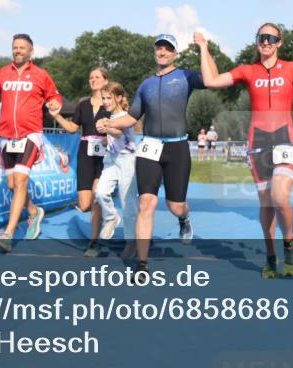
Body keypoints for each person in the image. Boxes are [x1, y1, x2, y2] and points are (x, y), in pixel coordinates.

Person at [195, 24, 293, 278]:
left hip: (285, 138)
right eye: (261, 38)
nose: (265, 42)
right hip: (257, 141)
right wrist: (204, 48)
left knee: (280, 197)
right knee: (266, 204)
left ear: (279, 42)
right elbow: (211, 81)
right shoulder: (248, 71)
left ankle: (289, 247)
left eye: (271, 38)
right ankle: (270, 257)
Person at [103, 34, 203, 276]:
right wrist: (109, 124)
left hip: (177, 148)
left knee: (175, 205)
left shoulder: (186, 76)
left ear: (175, 53)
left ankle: (184, 218)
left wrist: (203, 49)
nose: (162, 52)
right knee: (147, 203)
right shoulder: (146, 85)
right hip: (149, 147)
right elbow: (132, 117)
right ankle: (142, 264)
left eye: (168, 48)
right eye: (159, 48)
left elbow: (210, 78)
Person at [0, 34, 62, 253]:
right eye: (15, 47)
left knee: (22, 182)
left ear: (31, 51)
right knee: (13, 185)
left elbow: (55, 96)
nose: (17, 51)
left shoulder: (41, 75)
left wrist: (54, 103)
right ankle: (34, 212)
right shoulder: (2, 73)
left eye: (22, 47)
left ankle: (8, 234)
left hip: (30, 135)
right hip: (7, 136)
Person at [49, 67, 110, 257]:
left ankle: (94, 242)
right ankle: (104, 216)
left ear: (105, 81)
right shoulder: (82, 105)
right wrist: (56, 116)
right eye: (90, 77)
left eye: (97, 77)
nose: (93, 80)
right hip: (85, 155)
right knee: (85, 204)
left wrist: (111, 135)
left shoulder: (111, 104)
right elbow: (71, 128)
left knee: (97, 196)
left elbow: (121, 126)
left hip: (104, 155)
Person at [92, 82, 138, 254]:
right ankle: (111, 217)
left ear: (119, 98)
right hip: (111, 160)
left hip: (128, 161)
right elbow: (113, 137)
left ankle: (131, 241)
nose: (105, 101)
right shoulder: (108, 116)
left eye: (108, 98)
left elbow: (119, 133)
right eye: (103, 98)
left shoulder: (126, 116)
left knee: (128, 203)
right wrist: (105, 137)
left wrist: (108, 128)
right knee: (101, 192)